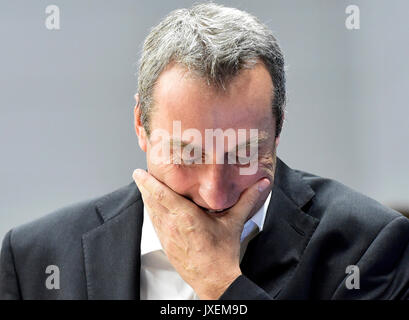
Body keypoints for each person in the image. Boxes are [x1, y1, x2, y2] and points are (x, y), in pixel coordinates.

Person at [1, 3, 408, 300]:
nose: (215, 193)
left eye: (244, 153)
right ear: (140, 125)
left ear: (278, 128)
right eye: (188, 154)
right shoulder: (36, 258)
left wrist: (221, 284)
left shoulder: (369, 245)